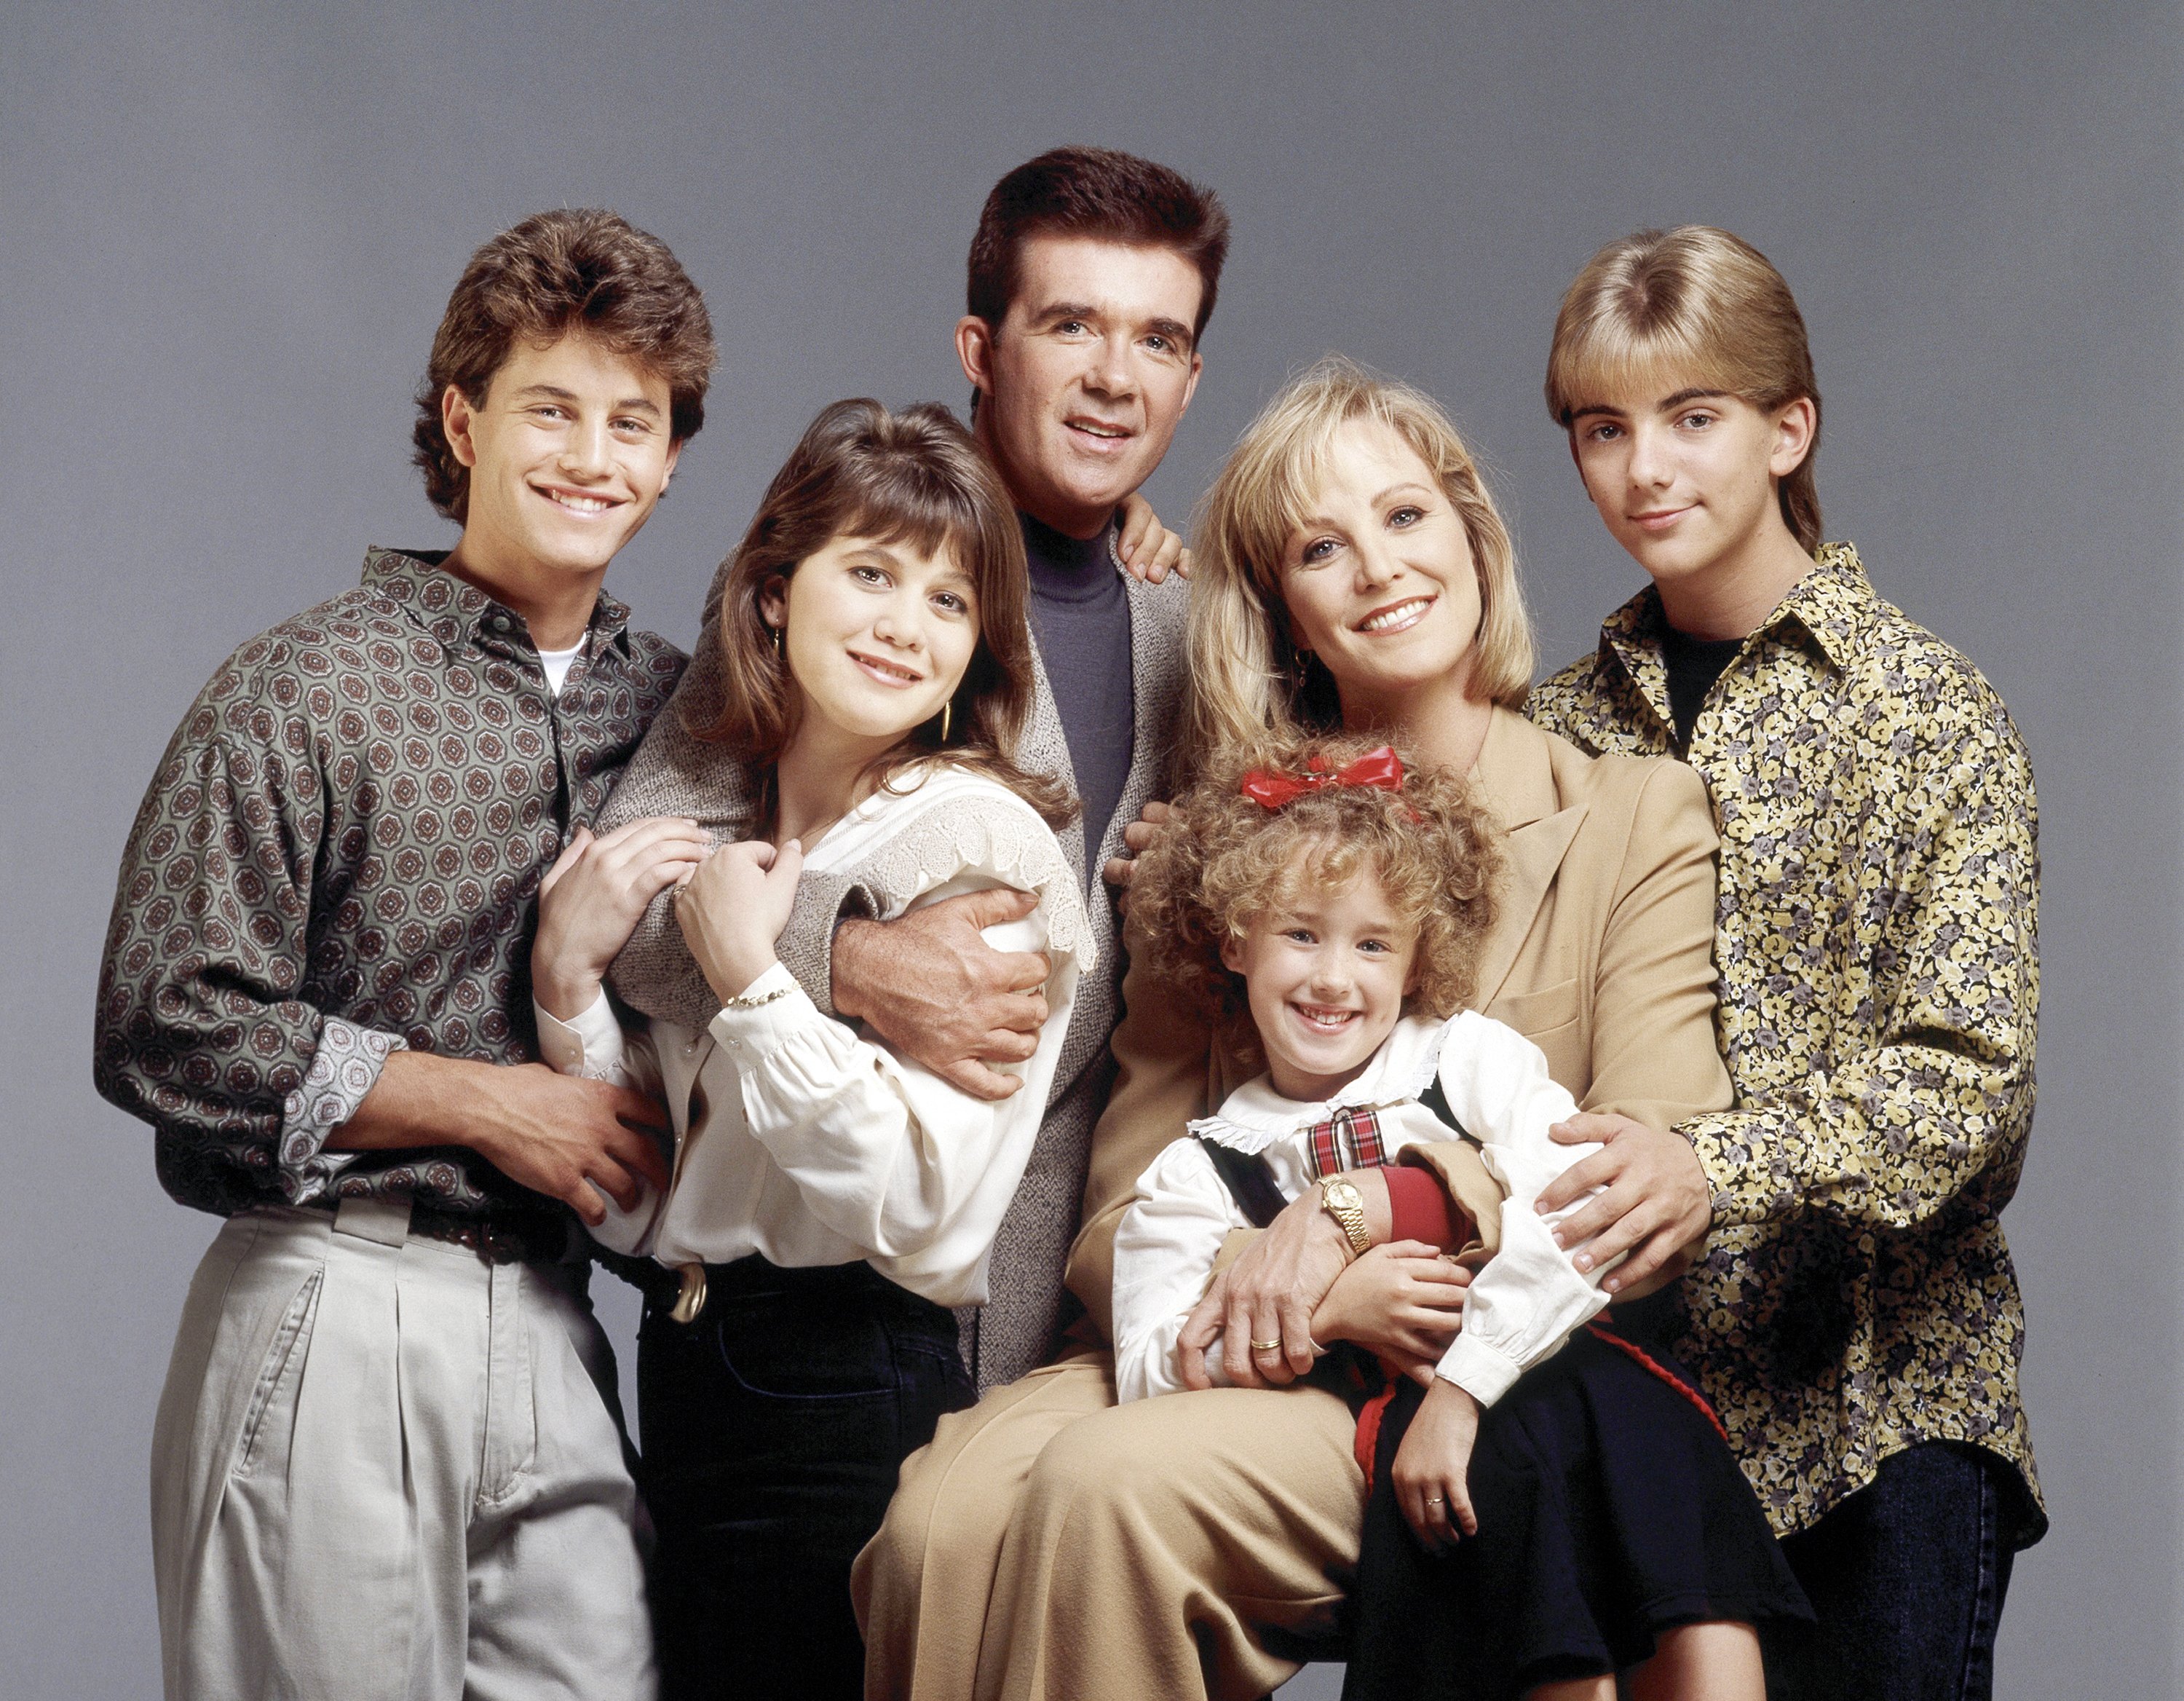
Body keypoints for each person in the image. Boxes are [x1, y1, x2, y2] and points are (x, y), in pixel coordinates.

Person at [856, 359, 1736, 1701]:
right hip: (1205, 1328)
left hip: (1482, 1362)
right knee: (932, 1527)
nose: (1380, 569)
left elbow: (1639, 1166)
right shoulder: (1216, 846)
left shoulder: (1634, 817)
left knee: (1107, 1493)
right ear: (1283, 616)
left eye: (1405, 519)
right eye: (1323, 549)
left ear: (1472, 537)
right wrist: (1271, 1296)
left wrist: (1348, 1224)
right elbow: (1117, 1212)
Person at [93, 208, 715, 1701]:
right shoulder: (303, 688)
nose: (593, 456)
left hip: (562, 1331)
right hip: (334, 1307)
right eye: (550, 408)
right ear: (463, 418)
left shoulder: (683, 714)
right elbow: (164, 1019)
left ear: (674, 455)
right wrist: (491, 1103)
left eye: (634, 422)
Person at [601, 145, 1228, 1393]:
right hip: (826, 1284)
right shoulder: (848, 584)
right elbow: (639, 904)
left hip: (1085, 1300)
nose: (1115, 377)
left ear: (1191, 376)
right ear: (981, 351)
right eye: (1071, 326)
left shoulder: (1204, 622)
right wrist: (849, 958)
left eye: (1157, 341)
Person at [1524, 225, 2043, 1700]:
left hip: (1878, 1408)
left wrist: (1714, 1164)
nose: (1647, 471)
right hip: (1627, 1406)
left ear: (1786, 428)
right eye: (1604, 430)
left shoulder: (1930, 712)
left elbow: (1972, 1093)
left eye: (1694, 419)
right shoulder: (1559, 733)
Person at [527, 399, 1091, 1700]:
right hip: (691, 1366)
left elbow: (915, 1202)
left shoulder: (977, 846)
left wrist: (753, 978)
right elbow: (654, 1205)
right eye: (872, 572)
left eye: (950, 602)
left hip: (847, 1384)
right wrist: (567, 979)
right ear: (773, 593)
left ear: (978, 650)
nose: (906, 624)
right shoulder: (745, 850)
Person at [1109, 728, 1806, 1701]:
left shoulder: (1466, 1059)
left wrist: (1463, 1389)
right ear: (1235, 939)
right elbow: (1148, 1369)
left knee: (1693, 1617)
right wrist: (1324, 1315)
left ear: (1416, 955)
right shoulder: (1201, 1167)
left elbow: (1579, 1215)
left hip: (1571, 1380)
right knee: (1527, 1597)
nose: (1332, 978)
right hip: (1421, 1436)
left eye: (1372, 944)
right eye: (1300, 934)